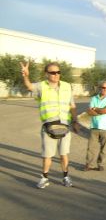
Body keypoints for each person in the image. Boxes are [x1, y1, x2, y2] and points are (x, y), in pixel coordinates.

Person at [20, 61, 79, 189]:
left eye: (58, 72)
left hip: (65, 126)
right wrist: (25, 75)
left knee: (64, 154)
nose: (56, 75)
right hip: (48, 127)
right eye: (52, 72)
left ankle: (66, 176)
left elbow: (72, 105)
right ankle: (44, 178)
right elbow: (29, 87)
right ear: (47, 74)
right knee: (47, 155)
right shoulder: (42, 86)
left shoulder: (66, 86)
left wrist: (75, 121)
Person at [84, 80, 106, 171]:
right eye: (103, 87)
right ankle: (89, 165)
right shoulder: (94, 98)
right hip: (94, 126)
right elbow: (90, 112)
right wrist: (100, 111)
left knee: (104, 148)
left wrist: (96, 109)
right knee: (91, 148)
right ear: (99, 88)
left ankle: (100, 164)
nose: (105, 89)